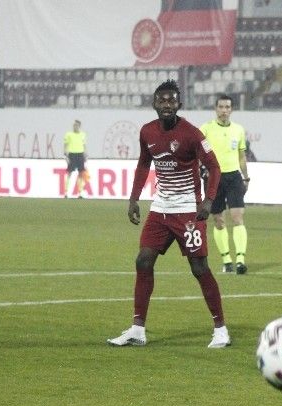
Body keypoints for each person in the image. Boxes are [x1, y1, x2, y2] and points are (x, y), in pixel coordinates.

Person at [107, 80, 230, 349]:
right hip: (160, 208)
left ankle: (221, 329)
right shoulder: (147, 132)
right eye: (162, 100)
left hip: (188, 211)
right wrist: (134, 199)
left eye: (171, 100)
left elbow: (214, 167)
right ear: (154, 104)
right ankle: (137, 330)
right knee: (143, 261)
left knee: (199, 268)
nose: (166, 105)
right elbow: (143, 164)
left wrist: (208, 201)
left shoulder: (192, 134)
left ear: (179, 104)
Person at [199, 94, 250, 274]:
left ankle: (240, 261)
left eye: (227, 107)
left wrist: (246, 177)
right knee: (219, 220)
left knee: (238, 217)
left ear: (231, 109)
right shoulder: (205, 129)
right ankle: (227, 260)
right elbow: (197, 153)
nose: (224, 110)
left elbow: (241, 156)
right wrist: (200, 168)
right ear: (216, 109)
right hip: (213, 177)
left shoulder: (238, 130)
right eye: (221, 107)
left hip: (234, 177)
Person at [63, 119, 87, 199]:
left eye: (76, 125)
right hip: (72, 154)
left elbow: (84, 145)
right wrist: (65, 156)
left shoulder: (83, 135)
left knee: (81, 174)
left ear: (79, 126)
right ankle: (66, 192)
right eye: (74, 125)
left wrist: (85, 155)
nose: (74, 127)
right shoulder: (68, 134)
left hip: (80, 154)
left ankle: (80, 193)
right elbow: (65, 145)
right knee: (69, 173)